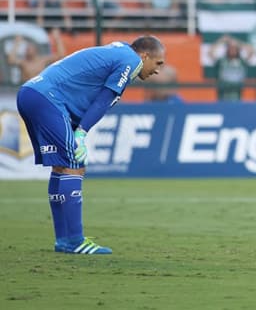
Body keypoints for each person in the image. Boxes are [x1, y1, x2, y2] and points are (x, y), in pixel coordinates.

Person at [16, 36, 166, 254]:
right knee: (74, 164)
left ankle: (64, 240)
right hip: (47, 98)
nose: (158, 70)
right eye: (158, 63)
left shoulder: (121, 51)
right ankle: (75, 240)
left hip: (32, 93)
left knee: (61, 166)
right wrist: (82, 133)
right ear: (144, 56)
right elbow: (103, 100)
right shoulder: (131, 61)